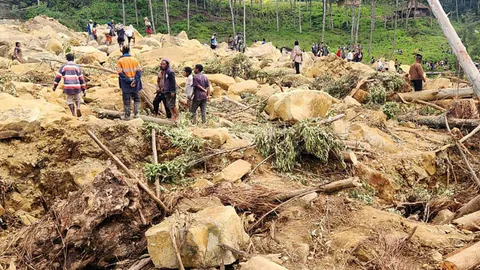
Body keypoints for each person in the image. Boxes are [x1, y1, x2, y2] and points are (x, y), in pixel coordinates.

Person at [53, 53, 86, 117]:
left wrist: (55, 86)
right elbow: (81, 79)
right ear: (73, 59)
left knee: (69, 100)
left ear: (66, 59)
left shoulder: (63, 67)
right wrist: (84, 89)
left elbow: (58, 77)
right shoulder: (77, 67)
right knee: (78, 98)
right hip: (76, 86)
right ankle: (78, 107)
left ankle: (73, 114)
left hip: (68, 87)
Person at [116, 46, 143, 120]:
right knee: (136, 98)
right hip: (135, 83)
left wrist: (129, 81)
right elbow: (139, 72)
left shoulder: (120, 61)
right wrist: (135, 81)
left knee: (126, 99)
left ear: (122, 52)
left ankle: (127, 115)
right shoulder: (135, 60)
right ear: (129, 51)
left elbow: (120, 73)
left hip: (125, 83)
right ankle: (137, 114)